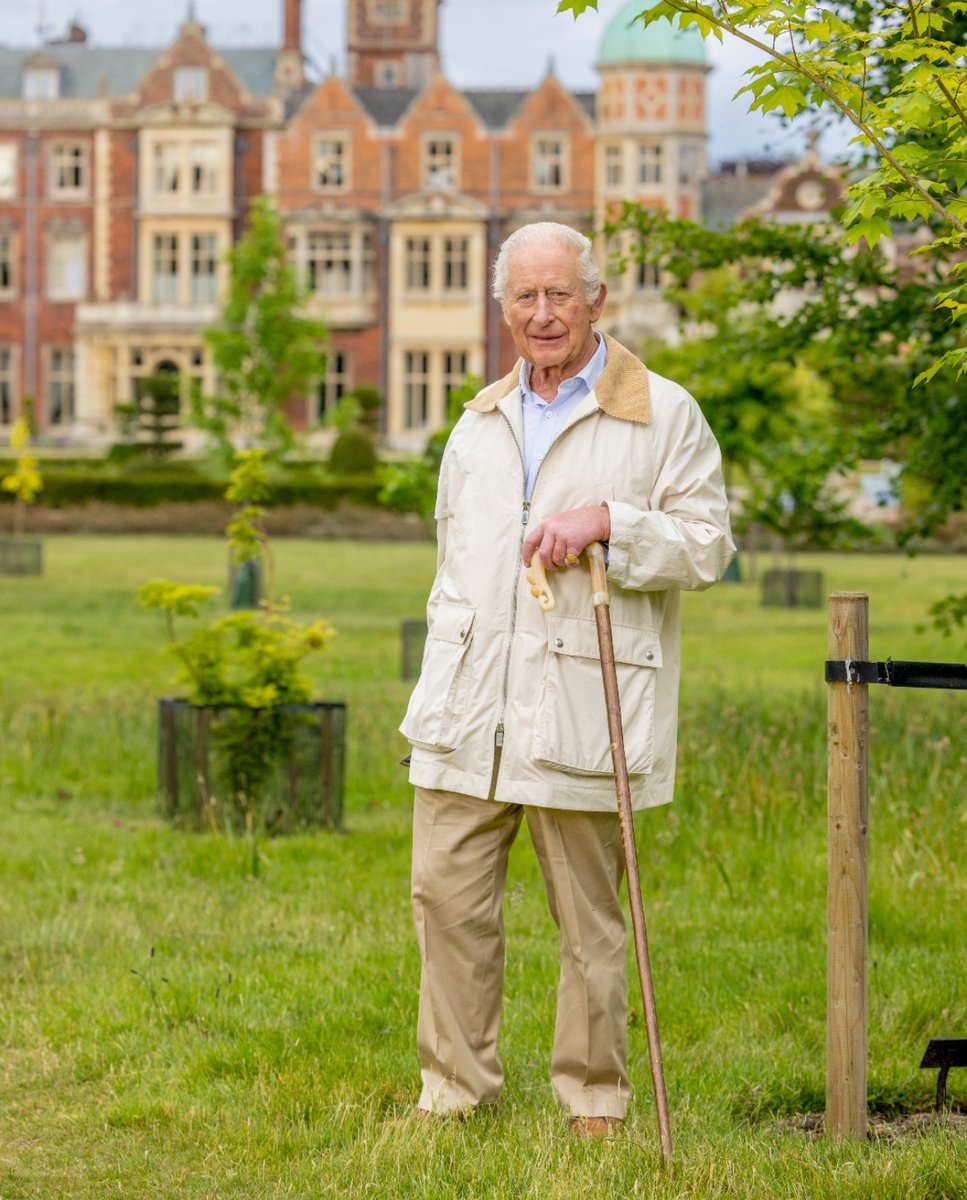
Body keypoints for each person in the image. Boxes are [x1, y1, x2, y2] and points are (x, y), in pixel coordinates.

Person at [400, 221, 735, 1137]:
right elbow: (454, 567)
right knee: (444, 900)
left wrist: (611, 524)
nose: (542, 314)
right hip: (467, 710)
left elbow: (708, 546)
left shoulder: (662, 413)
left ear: (595, 301)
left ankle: (594, 1099)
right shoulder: (477, 422)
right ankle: (452, 1092)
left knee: (588, 921)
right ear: (502, 307)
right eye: (525, 296)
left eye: (559, 295)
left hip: (584, 707)